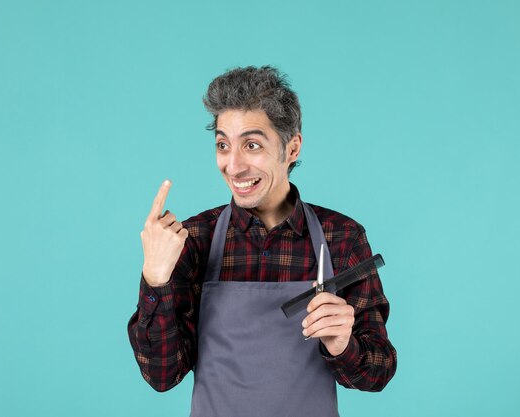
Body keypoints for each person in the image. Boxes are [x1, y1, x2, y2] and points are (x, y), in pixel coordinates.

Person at [127, 66, 397, 417]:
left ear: (292, 147)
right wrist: (155, 280)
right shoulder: (194, 240)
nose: (233, 166)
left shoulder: (342, 238)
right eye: (223, 145)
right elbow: (162, 375)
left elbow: (379, 372)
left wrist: (343, 344)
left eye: (252, 145)